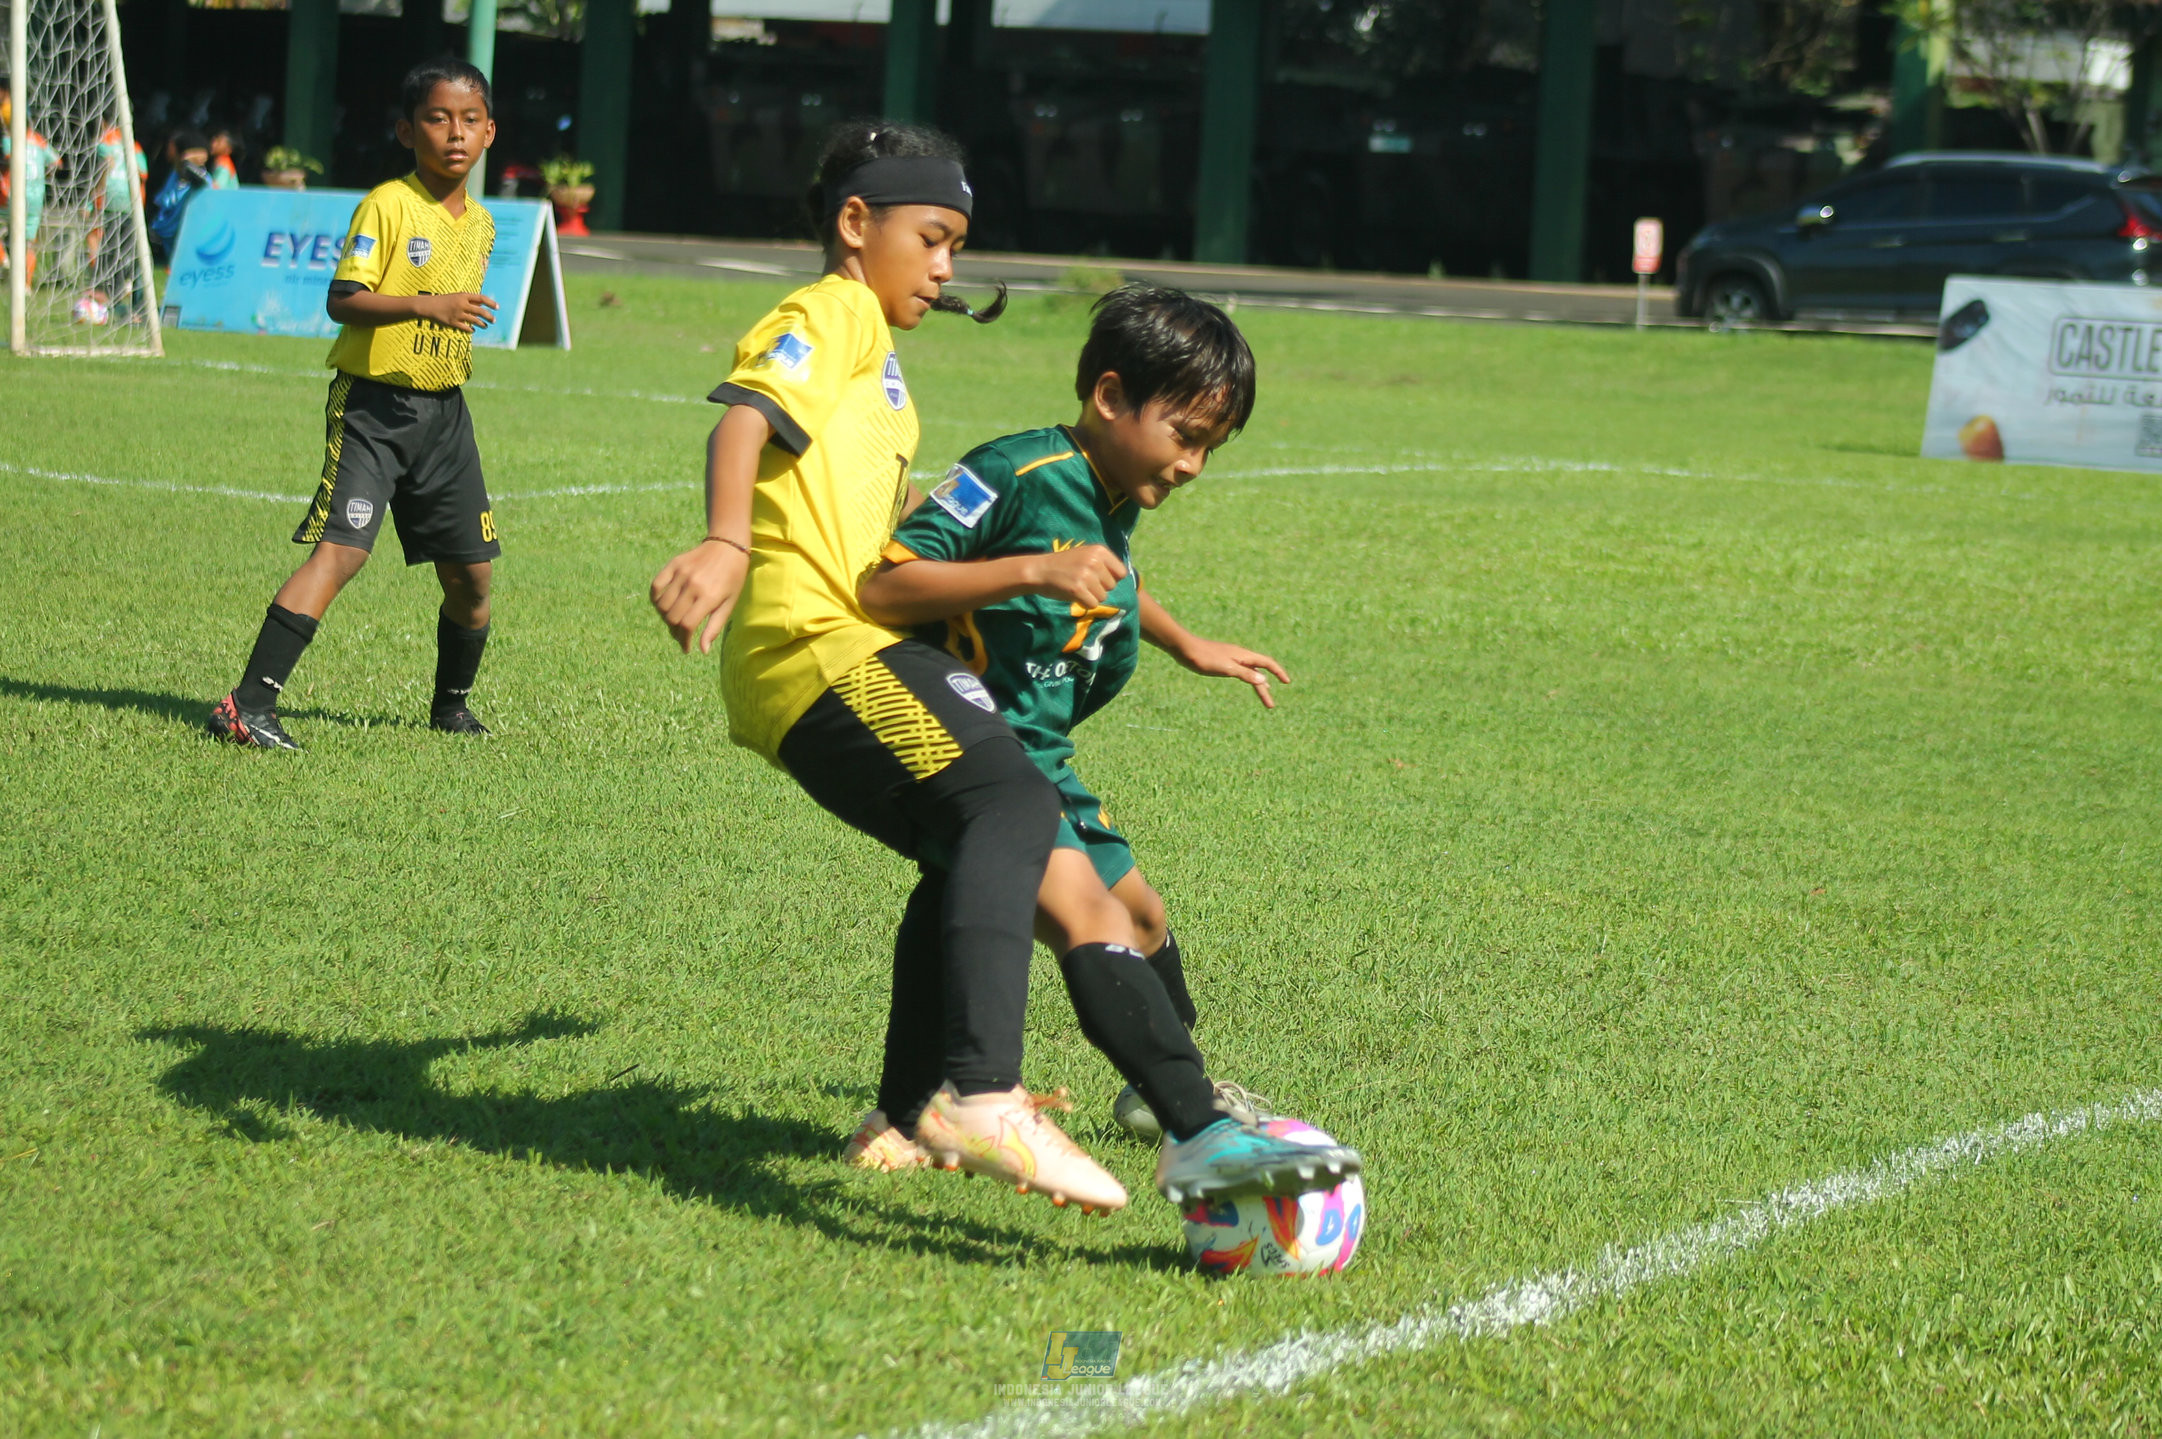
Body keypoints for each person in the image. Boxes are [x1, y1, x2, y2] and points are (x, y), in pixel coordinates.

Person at [650, 119, 1137, 1216]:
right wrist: (726, 541)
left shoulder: (875, 349)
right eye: (931, 237)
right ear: (855, 223)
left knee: (967, 837)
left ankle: (903, 1110)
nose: (946, 267)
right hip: (815, 647)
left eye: (957, 244)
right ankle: (979, 1091)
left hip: (851, 642)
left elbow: (857, 498)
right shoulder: (826, 312)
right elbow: (743, 423)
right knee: (1006, 796)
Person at [850, 284, 1362, 1208]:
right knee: (1089, 912)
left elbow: (1108, 581)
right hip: (974, 748)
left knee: (1145, 915)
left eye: (1213, 446)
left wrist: (1184, 641)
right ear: (1112, 397)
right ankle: (1190, 1121)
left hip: (1045, 754)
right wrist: (1035, 567)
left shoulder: (1115, 488)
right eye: (1188, 434)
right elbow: (888, 586)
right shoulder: (1014, 472)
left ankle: (1141, 1090)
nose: (1198, 464)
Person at [207, 57, 501, 750]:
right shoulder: (388, 204)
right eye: (437, 118)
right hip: (375, 409)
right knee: (343, 552)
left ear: (490, 132)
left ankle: (450, 708)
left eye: (469, 120)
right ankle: (247, 705)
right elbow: (344, 299)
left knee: (474, 578)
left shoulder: (483, 223)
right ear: (407, 130)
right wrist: (429, 306)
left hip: (445, 416)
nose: (454, 134)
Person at [0, 79, 56, 284]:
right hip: (37, 193)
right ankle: (27, 285)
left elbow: (8, 161)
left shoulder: (10, 139)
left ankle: (3, 258)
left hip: (16, 192)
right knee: (29, 241)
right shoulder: (38, 140)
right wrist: (44, 174)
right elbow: (58, 162)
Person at [146, 129, 212, 263]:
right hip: (160, 234)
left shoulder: (199, 179)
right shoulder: (174, 175)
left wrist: (188, 159)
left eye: (171, 146)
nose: (167, 149)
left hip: (180, 239)